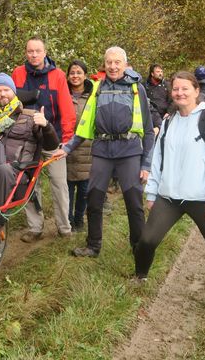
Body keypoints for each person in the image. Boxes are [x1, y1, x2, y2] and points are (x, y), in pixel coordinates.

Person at [134, 71, 205, 324]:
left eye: (185, 89)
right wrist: (152, 192)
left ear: (196, 91)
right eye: (175, 89)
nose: (180, 93)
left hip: (202, 199)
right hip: (170, 198)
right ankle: (140, 276)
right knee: (146, 240)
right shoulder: (169, 122)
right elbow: (158, 159)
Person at [55, 46, 155, 258]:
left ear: (125, 65)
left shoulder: (137, 89)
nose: (113, 66)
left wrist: (146, 164)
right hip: (102, 150)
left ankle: (138, 246)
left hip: (129, 150)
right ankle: (93, 246)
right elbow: (85, 124)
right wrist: (67, 148)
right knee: (94, 199)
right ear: (104, 64)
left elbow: (147, 130)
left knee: (134, 201)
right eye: (109, 62)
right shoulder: (97, 88)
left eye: (117, 62)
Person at [0, 73, 59, 248]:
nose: (2, 94)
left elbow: (51, 144)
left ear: (14, 92)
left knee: (3, 169)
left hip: (16, 174)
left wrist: (46, 126)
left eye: (6, 89)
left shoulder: (31, 116)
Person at [12, 38, 75, 241]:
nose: (34, 55)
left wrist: (66, 139)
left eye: (38, 51)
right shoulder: (18, 73)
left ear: (45, 52)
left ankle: (64, 227)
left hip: (52, 137)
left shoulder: (57, 76)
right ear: (26, 53)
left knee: (58, 183)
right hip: (26, 139)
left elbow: (66, 109)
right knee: (30, 184)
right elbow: (10, 106)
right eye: (30, 51)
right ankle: (35, 227)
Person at [65, 60, 93, 232]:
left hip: (88, 149)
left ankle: (79, 218)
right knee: (66, 190)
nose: (75, 76)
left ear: (85, 75)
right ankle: (68, 221)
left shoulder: (92, 96)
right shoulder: (63, 94)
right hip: (66, 149)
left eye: (79, 73)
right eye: (72, 73)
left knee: (84, 190)